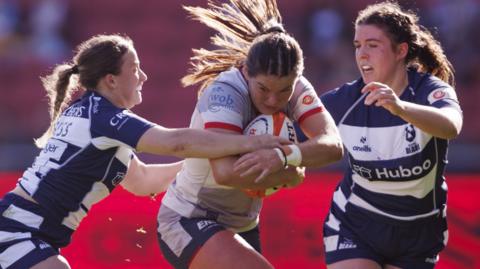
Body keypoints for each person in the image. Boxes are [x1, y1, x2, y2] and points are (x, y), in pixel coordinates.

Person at [0, 34, 290, 269]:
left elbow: (143, 182)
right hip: (18, 231)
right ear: (111, 80)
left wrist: (202, 168)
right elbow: (175, 142)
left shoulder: (93, 116)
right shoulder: (103, 117)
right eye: (135, 68)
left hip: (23, 230)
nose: (144, 76)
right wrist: (248, 143)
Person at [156, 0, 343, 268]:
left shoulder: (298, 86)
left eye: (283, 91)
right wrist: (292, 171)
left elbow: (333, 145)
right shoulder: (225, 93)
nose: (272, 100)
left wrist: (286, 156)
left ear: (296, 78)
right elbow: (226, 172)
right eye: (263, 88)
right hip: (189, 219)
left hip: (242, 225)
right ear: (245, 70)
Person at [320, 2, 463, 269]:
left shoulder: (429, 91)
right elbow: (296, 128)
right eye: (357, 45)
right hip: (356, 224)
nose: (362, 55)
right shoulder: (343, 102)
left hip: (419, 232)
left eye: (372, 45)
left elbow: (451, 125)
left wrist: (399, 107)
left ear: (401, 51)